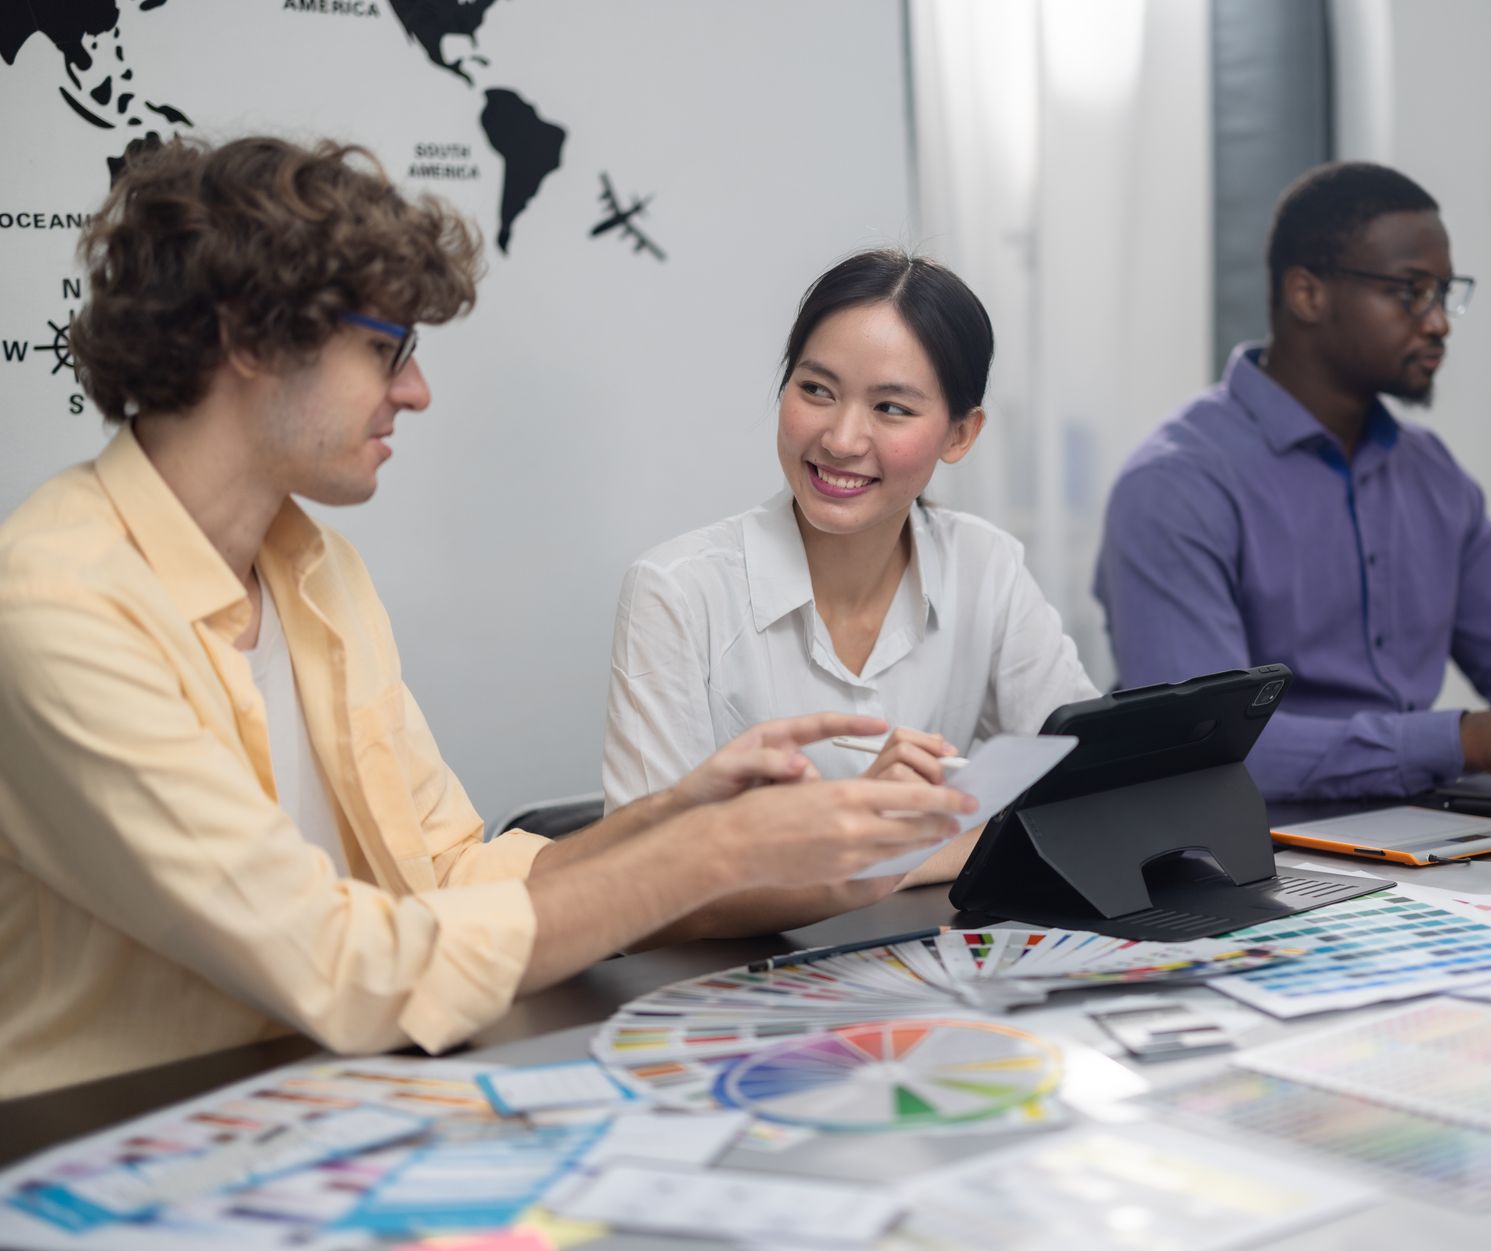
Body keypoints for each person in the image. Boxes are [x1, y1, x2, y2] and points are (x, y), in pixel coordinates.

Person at [0, 138, 973, 1098]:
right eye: (387, 350)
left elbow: (449, 874)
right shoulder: (59, 608)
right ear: (250, 341)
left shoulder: (314, 568)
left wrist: (683, 812)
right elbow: (348, 966)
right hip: (108, 1137)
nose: (415, 392)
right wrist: (714, 853)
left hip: (323, 1100)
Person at [1095, 162, 1491, 801]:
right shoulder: (1175, 485)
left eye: (1445, 293)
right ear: (1307, 294)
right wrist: (1465, 741)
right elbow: (1200, 748)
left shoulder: (1429, 471)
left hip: (1421, 825)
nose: (1439, 322)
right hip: (1261, 852)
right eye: (1410, 291)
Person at [602, 249, 1097, 910]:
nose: (840, 438)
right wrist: (879, 838)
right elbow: (642, 878)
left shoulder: (987, 566)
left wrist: (899, 851)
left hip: (924, 967)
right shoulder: (675, 592)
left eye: (891, 407)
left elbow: (1093, 784)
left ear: (960, 433)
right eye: (816, 390)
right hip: (735, 985)